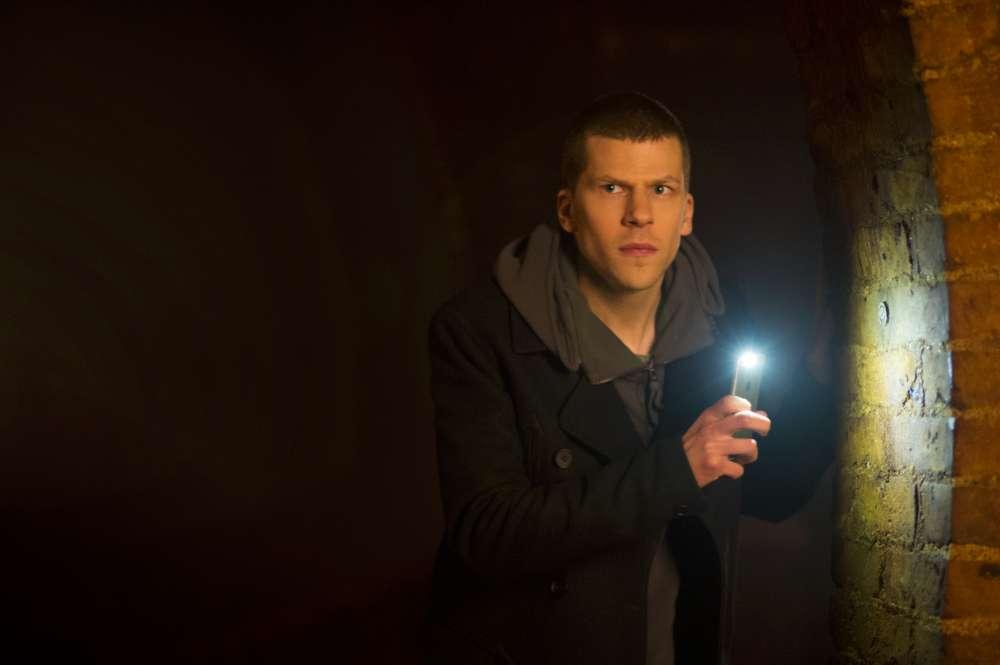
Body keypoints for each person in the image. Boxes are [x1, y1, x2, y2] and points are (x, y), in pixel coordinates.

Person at [426, 92, 834, 665]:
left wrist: (820, 378)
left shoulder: (719, 320)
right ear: (567, 210)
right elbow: (486, 536)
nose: (639, 213)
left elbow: (768, 493)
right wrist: (676, 467)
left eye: (660, 190)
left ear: (686, 212)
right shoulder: (480, 331)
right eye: (612, 187)